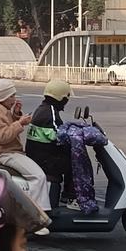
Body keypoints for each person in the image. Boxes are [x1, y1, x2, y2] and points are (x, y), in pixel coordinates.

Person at [0, 79, 51, 220]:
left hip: (9, 152)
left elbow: (5, 126)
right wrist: (20, 123)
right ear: (3, 97)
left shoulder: (1, 110)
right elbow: (3, 137)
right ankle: (36, 216)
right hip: (5, 153)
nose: (14, 99)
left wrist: (16, 114)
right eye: (11, 96)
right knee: (38, 176)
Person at [25, 78, 74, 206]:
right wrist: (76, 134)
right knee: (75, 161)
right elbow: (59, 133)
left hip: (38, 155)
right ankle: (70, 196)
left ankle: (68, 195)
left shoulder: (42, 108)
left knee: (69, 155)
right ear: (61, 98)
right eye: (66, 98)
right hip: (45, 160)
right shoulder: (50, 111)